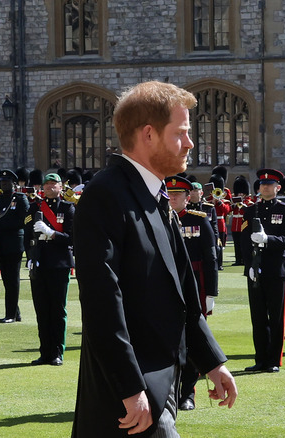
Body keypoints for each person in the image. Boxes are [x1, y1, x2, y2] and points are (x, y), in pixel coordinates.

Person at [71, 81, 237, 437]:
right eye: (181, 133)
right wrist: (129, 388)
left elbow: (182, 297)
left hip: (164, 385)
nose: (190, 144)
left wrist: (211, 362)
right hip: (132, 394)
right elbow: (103, 303)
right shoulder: (107, 195)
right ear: (149, 134)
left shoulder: (154, 194)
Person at [165, 175, 219, 411]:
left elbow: (210, 259)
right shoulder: (157, 220)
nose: (173, 197)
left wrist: (211, 294)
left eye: (178, 194)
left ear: (188, 198)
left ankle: (187, 394)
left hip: (193, 287)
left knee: (191, 344)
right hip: (163, 288)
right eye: (170, 193)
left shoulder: (199, 220)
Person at [241, 168, 285, 373]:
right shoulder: (251, 211)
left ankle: (274, 360)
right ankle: (260, 359)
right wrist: (249, 267)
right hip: (256, 270)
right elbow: (244, 244)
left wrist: (267, 240)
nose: (265, 187)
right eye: (262, 184)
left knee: (276, 317)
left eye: (270, 184)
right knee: (258, 317)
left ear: (277, 188)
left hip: (275, 270)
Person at [26, 173, 74, 366]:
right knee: (42, 310)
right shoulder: (35, 208)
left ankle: (57, 352)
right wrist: (29, 256)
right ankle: (44, 352)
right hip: (39, 263)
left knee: (57, 310)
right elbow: (27, 235)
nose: (49, 187)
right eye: (47, 184)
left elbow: (72, 238)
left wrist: (52, 233)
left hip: (59, 264)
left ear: (61, 187)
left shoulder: (68, 208)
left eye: (53, 184)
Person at [0, 170, 30, 323]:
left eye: (7, 182)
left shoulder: (20, 199)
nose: (4, 184)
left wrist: (3, 224)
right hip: (0, 242)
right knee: (6, 279)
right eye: (2, 182)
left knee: (13, 279)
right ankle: (15, 312)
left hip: (14, 242)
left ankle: (10, 315)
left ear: (13, 183)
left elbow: (24, 220)